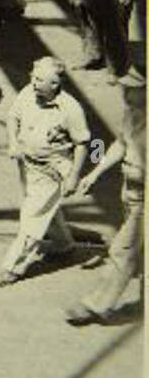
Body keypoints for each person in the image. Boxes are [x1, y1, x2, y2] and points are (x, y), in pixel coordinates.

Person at [0, 57, 90, 286]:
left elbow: (84, 143)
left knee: (32, 217)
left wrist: (74, 176)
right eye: (33, 76)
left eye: (39, 80)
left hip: (53, 170)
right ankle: (64, 246)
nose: (33, 82)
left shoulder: (71, 109)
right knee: (43, 209)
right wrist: (13, 143)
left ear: (55, 85)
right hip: (27, 165)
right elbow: (12, 117)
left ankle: (13, 267)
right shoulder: (28, 93)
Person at [66, 80, 145, 324]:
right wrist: (94, 173)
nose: (126, 93)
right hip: (130, 188)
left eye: (132, 89)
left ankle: (96, 305)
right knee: (138, 250)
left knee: (123, 249)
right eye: (124, 89)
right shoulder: (133, 114)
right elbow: (120, 144)